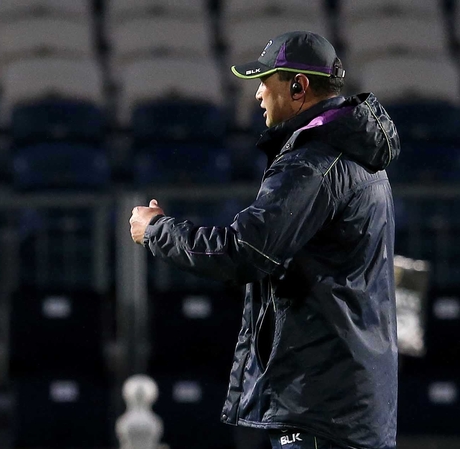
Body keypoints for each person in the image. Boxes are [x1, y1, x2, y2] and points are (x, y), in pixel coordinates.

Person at [129, 31, 400, 449]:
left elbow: (245, 252)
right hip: (353, 403)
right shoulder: (360, 156)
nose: (257, 95)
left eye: (264, 81)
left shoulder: (312, 162)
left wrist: (156, 230)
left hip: (320, 406)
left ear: (298, 87)